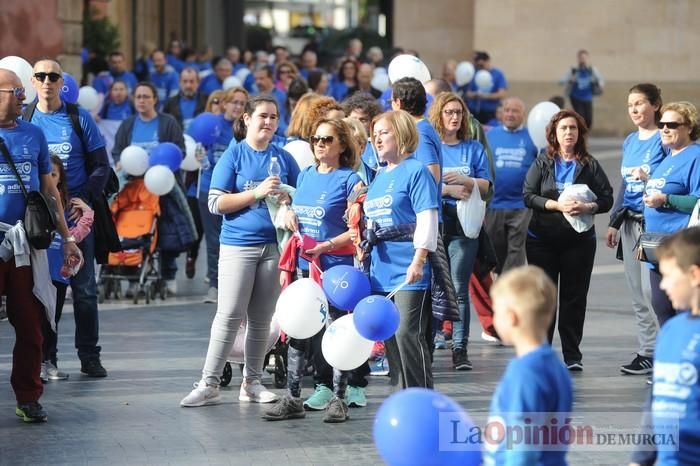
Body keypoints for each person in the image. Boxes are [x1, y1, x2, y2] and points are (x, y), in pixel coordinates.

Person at [180, 95, 299, 407]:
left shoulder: (284, 157)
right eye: (262, 116)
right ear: (247, 119)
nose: (269, 122)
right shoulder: (234, 156)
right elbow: (215, 202)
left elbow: (301, 196)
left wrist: (289, 203)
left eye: (274, 117)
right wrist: (255, 193)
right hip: (238, 245)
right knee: (229, 314)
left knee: (261, 319)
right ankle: (209, 382)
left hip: (274, 247)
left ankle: (253, 382)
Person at [263, 118, 364, 422]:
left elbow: (357, 231)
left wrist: (327, 245)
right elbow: (296, 207)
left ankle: (339, 399)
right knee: (298, 329)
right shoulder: (306, 175)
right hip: (305, 269)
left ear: (342, 145)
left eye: (327, 139)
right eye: (316, 138)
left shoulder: (351, 180)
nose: (320, 144)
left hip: (336, 270)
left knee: (337, 333)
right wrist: (290, 211)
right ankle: (293, 398)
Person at [0, 68, 82, 421]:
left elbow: (50, 192)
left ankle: (28, 396)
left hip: (22, 245)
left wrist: (67, 237)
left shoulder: (33, 134)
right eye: (17, 91)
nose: (24, 97)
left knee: (31, 323)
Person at [28, 59, 110, 377]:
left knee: (85, 290)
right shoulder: (27, 117)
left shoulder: (77, 116)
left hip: (76, 220)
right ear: (33, 82)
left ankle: (89, 355)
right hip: (42, 219)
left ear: (61, 82)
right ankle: (48, 357)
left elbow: (102, 165)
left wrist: (85, 197)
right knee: (47, 292)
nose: (47, 81)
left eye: (53, 76)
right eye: (41, 76)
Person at [523, 109, 613, 370]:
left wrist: (589, 208)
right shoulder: (543, 162)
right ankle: (541, 352)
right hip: (542, 240)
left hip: (579, 241)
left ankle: (572, 355)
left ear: (579, 133)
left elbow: (606, 197)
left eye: (573, 128)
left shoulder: (589, 164)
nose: (568, 133)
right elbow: (528, 195)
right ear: (554, 133)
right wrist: (556, 205)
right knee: (543, 297)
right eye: (563, 128)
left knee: (574, 298)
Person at [363, 110, 439, 388]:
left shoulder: (416, 171)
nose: (376, 139)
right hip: (380, 269)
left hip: (409, 268)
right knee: (390, 337)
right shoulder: (379, 176)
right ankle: (400, 399)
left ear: (402, 133)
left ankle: (422, 399)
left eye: (383, 132)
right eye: (374, 135)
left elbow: (428, 219)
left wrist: (419, 260)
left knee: (408, 333)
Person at [428, 92, 492, 370]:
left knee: (458, 287)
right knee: (431, 286)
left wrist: (467, 181)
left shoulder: (473, 148)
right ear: (439, 115)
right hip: (436, 224)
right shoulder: (430, 147)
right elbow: (420, 183)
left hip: (465, 226)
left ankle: (459, 349)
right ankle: (427, 344)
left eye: (459, 112)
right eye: (449, 112)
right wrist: (447, 189)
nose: (455, 117)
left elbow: (487, 186)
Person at [486, 265, 573, 465]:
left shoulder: (524, 373)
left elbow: (521, 448)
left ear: (511, 317)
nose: (494, 318)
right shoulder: (554, 366)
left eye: (496, 311)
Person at [607, 84, 666, 376]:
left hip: (653, 223)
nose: (634, 109)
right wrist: (614, 221)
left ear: (655, 105)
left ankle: (666, 350)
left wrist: (651, 177)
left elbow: (670, 177)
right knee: (636, 291)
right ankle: (647, 351)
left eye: (640, 103)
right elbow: (624, 186)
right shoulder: (630, 141)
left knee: (651, 290)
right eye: (630, 105)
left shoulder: (662, 139)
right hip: (629, 222)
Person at [112, 82, 190, 295]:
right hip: (134, 187)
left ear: (155, 99)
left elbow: (179, 151)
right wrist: (120, 161)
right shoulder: (128, 124)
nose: (142, 101)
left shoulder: (168, 123)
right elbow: (118, 151)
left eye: (146, 96)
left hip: (161, 184)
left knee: (167, 230)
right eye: (138, 97)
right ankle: (129, 273)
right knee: (129, 228)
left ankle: (168, 274)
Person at [636, 228, 700, 466]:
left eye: (669, 276)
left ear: (694, 275)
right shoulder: (670, 331)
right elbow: (655, 404)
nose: (663, 286)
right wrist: (639, 460)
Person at [642, 101, 700, 327]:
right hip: (656, 247)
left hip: (680, 246)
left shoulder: (695, 156)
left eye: (672, 124)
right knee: (661, 305)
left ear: (689, 127)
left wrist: (665, 199)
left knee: (683, 309)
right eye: (662, 123)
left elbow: (697, 200)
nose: (665, 128)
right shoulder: (669, 157)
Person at [42, 155, 94, 382]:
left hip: (59, 275)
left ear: (61, 178)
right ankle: (36, 362)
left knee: (53, 320)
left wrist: (88, 212)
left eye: (55, 175)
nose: (51, 179)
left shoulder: (68, 206)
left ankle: (49, 362)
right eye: (47, 174)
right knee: (35, 320)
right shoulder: (33, 200)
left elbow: (77, 235)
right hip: (37, 270)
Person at [197, 87, 249, 303]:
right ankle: (214, 285)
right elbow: (200, 148)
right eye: (233, 102)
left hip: (236, 192)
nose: (237, 106)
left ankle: (234, 284)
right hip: (210, 189)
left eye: (241, 103)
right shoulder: (212, 123)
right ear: (225, 103)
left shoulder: (247, 127)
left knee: (232, 240)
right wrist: (200, 157)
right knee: (213, 240)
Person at [484, 97, 538, 274]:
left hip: (521, 205)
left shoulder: (533, 137)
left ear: (523, 114)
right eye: (507, 110)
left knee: (516, 251)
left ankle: (510, 286)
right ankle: (501, 284)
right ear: (501, 113)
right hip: (494, 204)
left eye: (515, 111)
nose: (510, 114)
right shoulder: (491, 135)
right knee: (496, 251)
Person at [559, 50, 604, 130]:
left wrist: (600, 84)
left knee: (589, 120)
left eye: (584, 58)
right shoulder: (573, 70)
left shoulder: (591, 70)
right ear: (578, 59)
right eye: (581, 58)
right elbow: (561, 81)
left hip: (588, 97)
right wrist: (571, 79)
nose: (583, 60)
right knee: (581, 117)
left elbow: (600, 79)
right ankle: (580, 136)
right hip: (575, 97)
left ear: (587, 59)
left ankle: (584, 134)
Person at [464, 51, 508, 125]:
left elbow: (502, 94)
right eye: (478, 65)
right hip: (474, 111)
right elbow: (468, 93)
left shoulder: (498, 74)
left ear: (488, 61)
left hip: (490, 112)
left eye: (482, 65)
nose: (480, 67)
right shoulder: (474, 73)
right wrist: (475, 95)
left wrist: (486, 96)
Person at [97, 80, 135, 162]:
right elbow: (99, 120)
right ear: (111, 92)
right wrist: (97, 119)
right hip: (112, 143)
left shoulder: (132, 105)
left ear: (126, 91)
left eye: (121, 89)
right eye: (116, 89)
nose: (119, 92)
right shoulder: (106, 106)